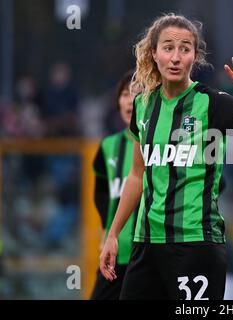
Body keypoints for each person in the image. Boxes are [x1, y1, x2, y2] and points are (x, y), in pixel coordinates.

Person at [99, 13, 233, 300]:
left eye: (185, 49)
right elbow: (137, 175)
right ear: (154, 53)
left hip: (196, 245)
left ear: (194, 57)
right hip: (146, 243)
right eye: (168, 48)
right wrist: (112, 234)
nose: (176, 57)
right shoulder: (142, 105)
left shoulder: (212, 103)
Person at [90, 71, 138, 299]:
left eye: (137, 93)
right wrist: (105, 229)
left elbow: (217, 183)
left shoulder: (163, 144)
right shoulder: (108, 146)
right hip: (115, 253)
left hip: (151, 255)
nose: (129, 100)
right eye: (124, 94)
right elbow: (100, 190)